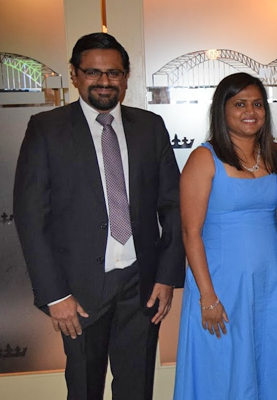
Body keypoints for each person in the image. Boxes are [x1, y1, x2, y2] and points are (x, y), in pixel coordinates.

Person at [13, 33, 185, 400]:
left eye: (114, 73)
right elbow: (31, 219)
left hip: (142, 287)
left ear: (125, 76)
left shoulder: (150, 126)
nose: (105, 81)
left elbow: (173, 205)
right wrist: (55, 295)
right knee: (84, 389)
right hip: (78, 292)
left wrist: (167, 276)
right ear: (74, 74)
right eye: (93, 72)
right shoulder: (46, 129)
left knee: (137, 389)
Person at [173, 72, 277, 400]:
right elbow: (190, 234)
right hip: (222, 288)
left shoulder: (273, 157)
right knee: (224, 370)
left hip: (271, 283)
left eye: (258, 104)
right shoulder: (204, 159)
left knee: (274, 365)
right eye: (240, 104)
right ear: (222, 110)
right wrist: (207, 296)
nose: (251, 111)